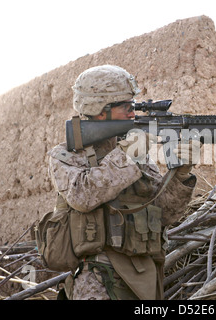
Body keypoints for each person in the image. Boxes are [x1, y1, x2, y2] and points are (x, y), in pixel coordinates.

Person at [47, 65, 197, 300]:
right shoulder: (66, 154)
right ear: (98, 110)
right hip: (97, 279)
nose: (132, 114)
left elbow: (164, 214)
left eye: (133, 107)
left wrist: (180, 175)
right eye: (126, 107)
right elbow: (82, 197)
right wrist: (128, 156)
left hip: (143, 276)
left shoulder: (137, 156)